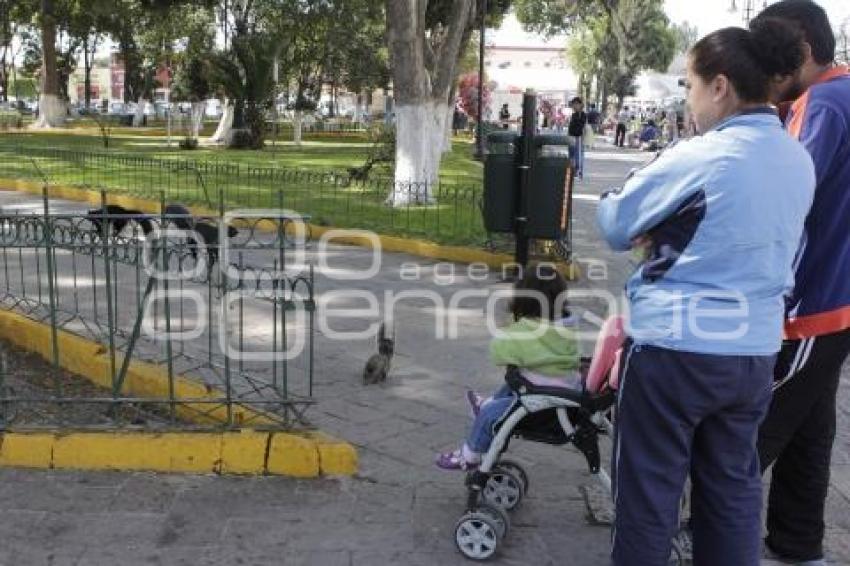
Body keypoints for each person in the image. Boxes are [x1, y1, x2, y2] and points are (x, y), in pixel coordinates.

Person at [597, 21, 815, 566]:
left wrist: (647, 217)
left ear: (719, 86)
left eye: (690, 86)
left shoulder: (700, 154)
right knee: (733, 492)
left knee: (649, 497)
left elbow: (617, 222)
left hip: (676, 351)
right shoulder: (796, 158)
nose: (689, 101)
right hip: (753, 354)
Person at [748, 3, 850, 565]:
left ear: (802, 50)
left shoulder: (824, 104)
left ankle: (712, 534)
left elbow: (787, 199)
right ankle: (797, 545)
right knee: (810, 431)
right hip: (838, 300)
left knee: (752, 430)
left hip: (811, 300)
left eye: (773, 54)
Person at [435, 265, 579, 470]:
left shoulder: (527, 331)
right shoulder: (566, 325)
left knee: (490, 416)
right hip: (564, 389)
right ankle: (488, 404)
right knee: (519, 379)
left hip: (541, 404)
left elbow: (498, 352)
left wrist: (508, 324)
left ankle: (470, 455)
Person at [567, 96, 587, 179]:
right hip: (571, 136)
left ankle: (578, 171)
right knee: (571, 154)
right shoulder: (574, 114)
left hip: (578, 137)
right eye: (573, 104)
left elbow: (581, 127)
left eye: (575, 104)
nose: (574, 106)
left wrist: (581, 136)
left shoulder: (582, 114)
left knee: (578, 155)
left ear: (580, 105)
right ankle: (573, 171)